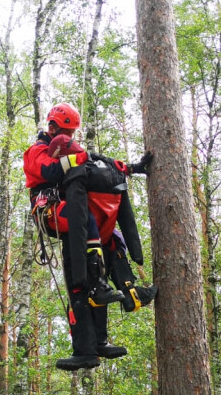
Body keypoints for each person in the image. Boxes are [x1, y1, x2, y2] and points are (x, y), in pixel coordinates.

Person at [23, 102, 155, 371]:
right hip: (51, 211)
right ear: (52, 128)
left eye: (73, 134)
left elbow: (98, 163)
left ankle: (127, 298)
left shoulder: (68, 150)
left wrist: (132, 168)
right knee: (86, 228)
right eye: (67, 133)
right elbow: (50, 171)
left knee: (113, 239)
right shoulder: (36, 152)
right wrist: (79, 158)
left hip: (72, 208)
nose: (71, 139)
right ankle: (96, 295)